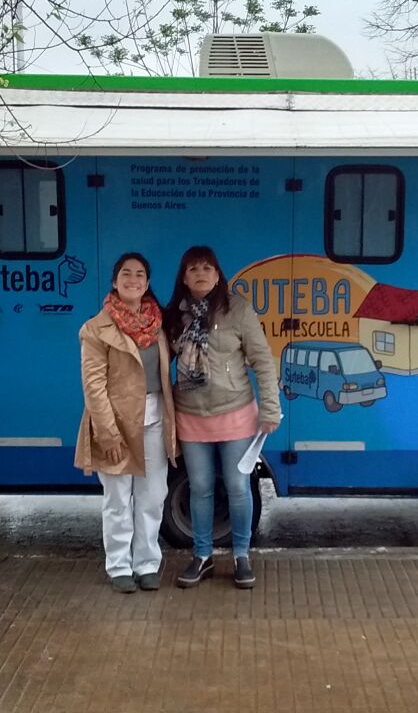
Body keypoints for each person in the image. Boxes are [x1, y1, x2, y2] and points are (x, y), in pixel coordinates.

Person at [164, 246, 280, 590]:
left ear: (217, 275)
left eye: (207, 268)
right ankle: (202, 556)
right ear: (184, 278)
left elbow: (262, 360)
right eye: (193, 269)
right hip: (191, 416)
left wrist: (270, 408)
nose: (200, 274)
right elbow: (159, 361)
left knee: (237, 486)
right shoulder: (174, 316)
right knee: (200, 487)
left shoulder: (238, 310)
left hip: (236, 414)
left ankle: (241, 555)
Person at [74, 252, 178, 593]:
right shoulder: (96, 329)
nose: (133, 280)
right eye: (126, 274)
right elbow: (93, 386)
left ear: (147, 283)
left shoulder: (158, 323)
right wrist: (107, 433)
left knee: (153, 496)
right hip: (115, 423)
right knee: (118, 499)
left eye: (139, 274)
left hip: (155, 419)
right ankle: (119, 566)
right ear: (114, 281)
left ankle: (146, 564)